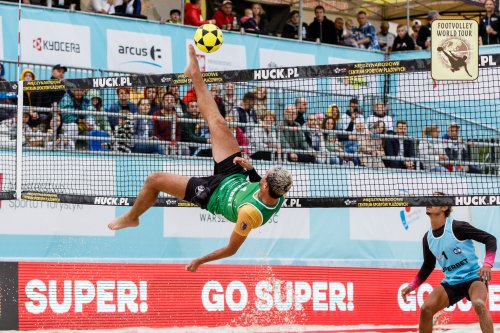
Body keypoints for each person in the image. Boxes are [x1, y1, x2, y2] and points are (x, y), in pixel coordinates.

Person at [108, 45, 293, 272]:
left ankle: (132, 217)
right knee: (219, 124)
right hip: (234, 176)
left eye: (264, 175)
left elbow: (231, 249)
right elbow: (260, 184)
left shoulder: (250, 214)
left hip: (212, 194)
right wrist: (251, 169)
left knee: (154, 179)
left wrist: (199, 261)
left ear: (265, 184)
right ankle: (194, 74)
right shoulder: (279, 191)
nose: (264, 174)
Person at [401, 192, 496, 333]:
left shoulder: (458, 227)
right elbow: (428, 265)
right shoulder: (427, 238)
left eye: (434, 200)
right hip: (451, 282)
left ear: (444, 207)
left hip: (474, 277)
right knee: (426, 309)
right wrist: (413, 285)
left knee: (479, 304)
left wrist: (487, 264)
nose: (429, 202)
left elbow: (490, 239)